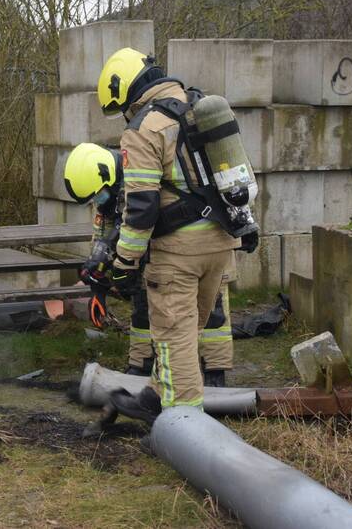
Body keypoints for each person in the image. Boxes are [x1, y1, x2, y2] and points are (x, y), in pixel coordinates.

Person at [95, 48, 256, 422]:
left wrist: (123, 262)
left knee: (173, 336)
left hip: (178, 253)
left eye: (122, 107)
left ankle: (186, 425)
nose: (125, 114)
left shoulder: (144, 129)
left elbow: (141, 209)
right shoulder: (198, 107)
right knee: (186, 330)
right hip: (220, 243)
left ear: (128, 92)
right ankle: (155, 394)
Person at [63, 142, 236, 384]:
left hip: (198, 246)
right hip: (156, 253)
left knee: (212, 312)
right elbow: (103, 233)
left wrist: (124, 259)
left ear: (107, 174)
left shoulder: (142, 172)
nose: (99, 199)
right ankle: (141, 365)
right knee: (142, 306)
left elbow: (142, 216)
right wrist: (98, 281)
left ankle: (215, 371)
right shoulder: (107, 190)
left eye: (98, 195)